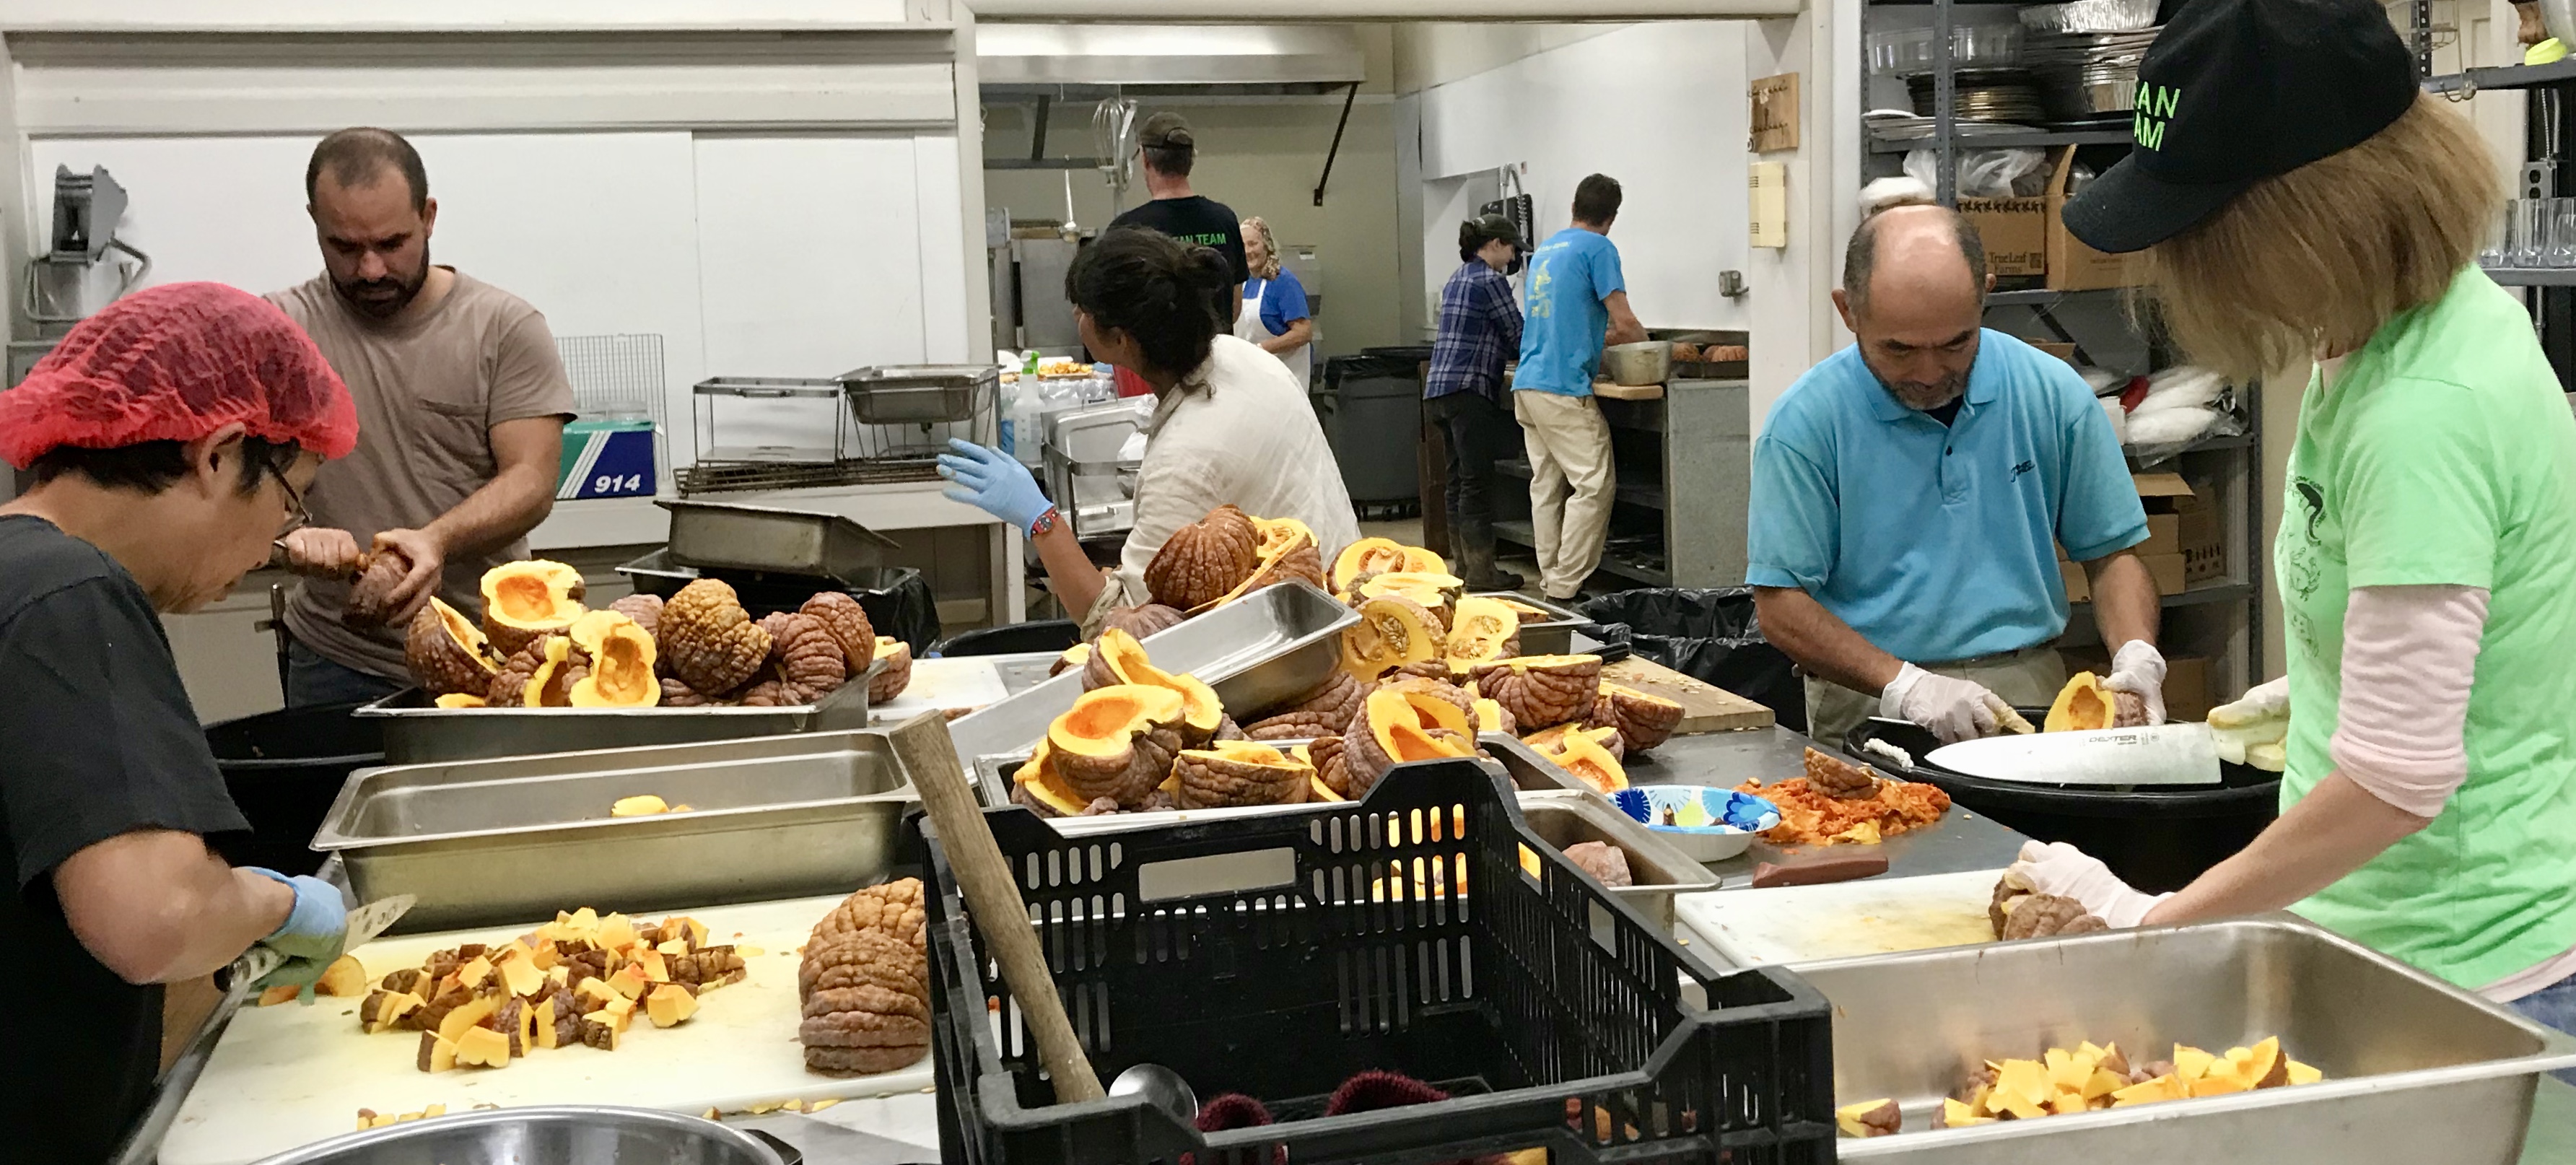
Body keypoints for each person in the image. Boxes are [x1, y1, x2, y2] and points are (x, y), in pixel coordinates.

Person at [2015, 0, 2576, 1042]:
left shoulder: (2424, 408)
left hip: (2462, 975)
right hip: (2381, 937)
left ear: (2302, 215)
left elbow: (2394, 783)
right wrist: (2323, 676)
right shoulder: (2387, 332)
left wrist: (2155, 918)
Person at [0, 283, 357, 1162]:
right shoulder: (70, 595)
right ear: (220, 453)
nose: (273, 545)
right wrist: (277, 903)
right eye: (289, 505)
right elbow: (155, 915)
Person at [1747, 204, 2165, 749]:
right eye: (1898, 349)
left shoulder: (2052, 394)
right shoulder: (1805, 424)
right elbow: (1780, 604)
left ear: (1985, 295)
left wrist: (2135, 653)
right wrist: (1905, 685)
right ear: (1847, 311)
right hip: (1870, 697)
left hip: (2026, 686)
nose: (1928, 374)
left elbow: (2111, 554)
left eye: (1955, 344)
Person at [266, 127, 575, 707]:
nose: (373, 270)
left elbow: (532, 482)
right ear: (314, 222)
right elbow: (225, 476)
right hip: (338, 657)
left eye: (392, 242)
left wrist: (436, 541)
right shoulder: (278, 332)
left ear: (428, 216)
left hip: (491, 656)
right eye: (345, 247)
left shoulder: (502, 327)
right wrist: (287, 537)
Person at [938, 227, 1360, 634]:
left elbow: (1122, 624)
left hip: (1299, 645)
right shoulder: (1240, 355)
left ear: (1121, 340)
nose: (1075, 317)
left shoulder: (1185, 457)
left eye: (1084, 311)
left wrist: (1041, 521)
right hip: (1347, 597)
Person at [1514, 174, 1646, 601]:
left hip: (1528, 383)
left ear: (1575, 206)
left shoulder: (1546, 251)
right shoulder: (1599, 248)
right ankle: (1566, 586)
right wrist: (1653, 351)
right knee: (1593, 482)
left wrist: (1601, 340)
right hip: (1561, 388)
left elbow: (1569, 323)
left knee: (1547, 483)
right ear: (1612, 215)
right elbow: (1624, 322)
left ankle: (1551, 576)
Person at [1425, 212, 1527, 590]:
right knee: (1476, 482)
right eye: (1513, 247)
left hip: (1439, 391)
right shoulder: (1490, 280)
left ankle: (1464, 567)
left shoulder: (1458, 277)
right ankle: (1484, 572)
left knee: (1455, 481)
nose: (1515, 255)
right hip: (1470, 392)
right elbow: (1518, 335)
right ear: (1497, 245)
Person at [1237, 216, 1314, 386]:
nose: (1248, 251)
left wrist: (1261, 349)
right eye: (1243, 245)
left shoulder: (1283, 282)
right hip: (1254, 373)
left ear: (1267, 245)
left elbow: (1304, 332)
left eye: (1253, 244)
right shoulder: (1241, 282)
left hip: (1285, 376)